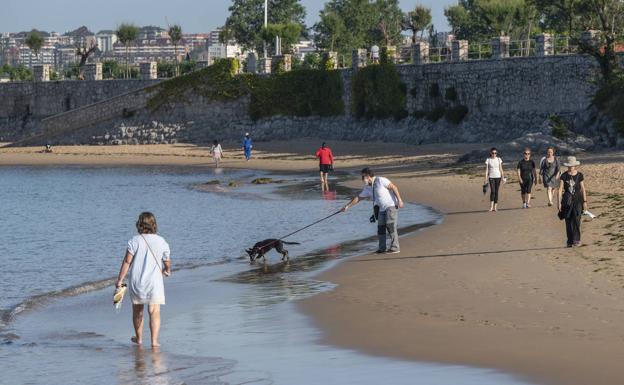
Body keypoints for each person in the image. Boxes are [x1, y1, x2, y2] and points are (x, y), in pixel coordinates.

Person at [116, 212, 171, 347]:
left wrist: (120, 279)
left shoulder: (134, 241)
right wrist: (167, 270)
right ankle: (154, 341)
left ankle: (139, 339)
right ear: (154, 224)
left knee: (137, 310)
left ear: (139, 224)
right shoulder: (161, 241)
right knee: (154, 311)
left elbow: (127, 262)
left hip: (137, 281)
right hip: (154, 282)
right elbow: (167, 262)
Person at [342, 168, 405, 254]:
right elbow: (358, 198)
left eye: (363, 177)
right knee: (381, 228)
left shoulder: (380, 180)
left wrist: (400, 200)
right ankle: (382, 248)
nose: (362, 179)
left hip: (391, 206)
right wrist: (347, 206)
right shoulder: (367, 188)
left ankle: (395, 248)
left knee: (390, 226)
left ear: (368, 176)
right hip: (381, 209)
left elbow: (394, 187)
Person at [558, 156, 588, 247]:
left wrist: (585, 201)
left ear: (575, 166)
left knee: (577, 220)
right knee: (568, 220)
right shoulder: (564, 175)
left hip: (578, 201)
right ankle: (570, 241)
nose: (571, 167)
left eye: (572, 166)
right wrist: (559, 203)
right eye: (569, 166)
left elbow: (583, 189)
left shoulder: (580, 175)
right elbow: (560, 189)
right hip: (567, 201)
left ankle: (577, 240)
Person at [484, 147, 504, 212]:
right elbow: (487, 170)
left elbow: (501, 169)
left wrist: (503, 177)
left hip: (498, 177)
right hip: (491, 177)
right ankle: (491, 207)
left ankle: (495, 207)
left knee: (496, 191)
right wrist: (486, 178)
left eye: (495, 153)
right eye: (493, 153)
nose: (494, 154)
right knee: (493, 191)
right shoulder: (488, 160)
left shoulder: (499, 159)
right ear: (490, 153)